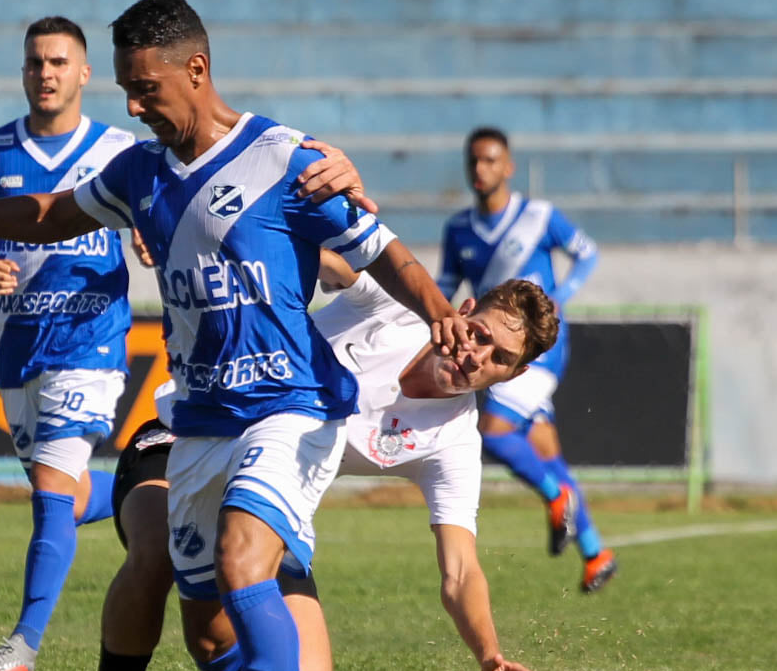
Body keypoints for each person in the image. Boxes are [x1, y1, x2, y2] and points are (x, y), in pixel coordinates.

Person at [0, 0, 468, 671]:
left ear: (196, 69)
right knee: (210, 634)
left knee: (243, 563)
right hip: (199, 420)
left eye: (145, 88)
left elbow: (381, 250)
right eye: (127, 90)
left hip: (288, 410)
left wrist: (438, 311)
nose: (132, 107)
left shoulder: (286, 160)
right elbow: (51, 214)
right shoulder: (140, 171)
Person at [99, 257, 548, 671]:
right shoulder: (393, 309)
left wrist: (490, 655)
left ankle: (83, 496)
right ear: (464, 310)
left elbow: (461, 570)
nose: (476, 357)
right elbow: (328, 259)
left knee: (238, 647)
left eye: (501, 359)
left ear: (515, 375)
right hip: (182, 437)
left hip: (268, 485)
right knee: (156, 554)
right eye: (481, 334)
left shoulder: (453, 442)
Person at [0, 16, 136, 671]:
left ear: (84, 73)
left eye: (58, 62)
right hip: (17, 345)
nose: (46, 73)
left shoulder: (121, 150)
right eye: (35, 62)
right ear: (23, 71)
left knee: (50, 492)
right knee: (61, 491)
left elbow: (159, 217)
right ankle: (155, 489)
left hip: (90, 342)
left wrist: (148, 237)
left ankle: (21, 648)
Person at [437, 126, 616, 593]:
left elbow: (587, 252)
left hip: (538, 351)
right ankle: (597, 553)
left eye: (491, 160)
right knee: (544, 450)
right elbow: (445, 285)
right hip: (491, 351)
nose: (481, 169)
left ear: (508, 166)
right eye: (474, 160)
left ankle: (557, 499)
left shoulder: (539, 216)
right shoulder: (458, 229)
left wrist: (562, 296)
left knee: (492, 432)